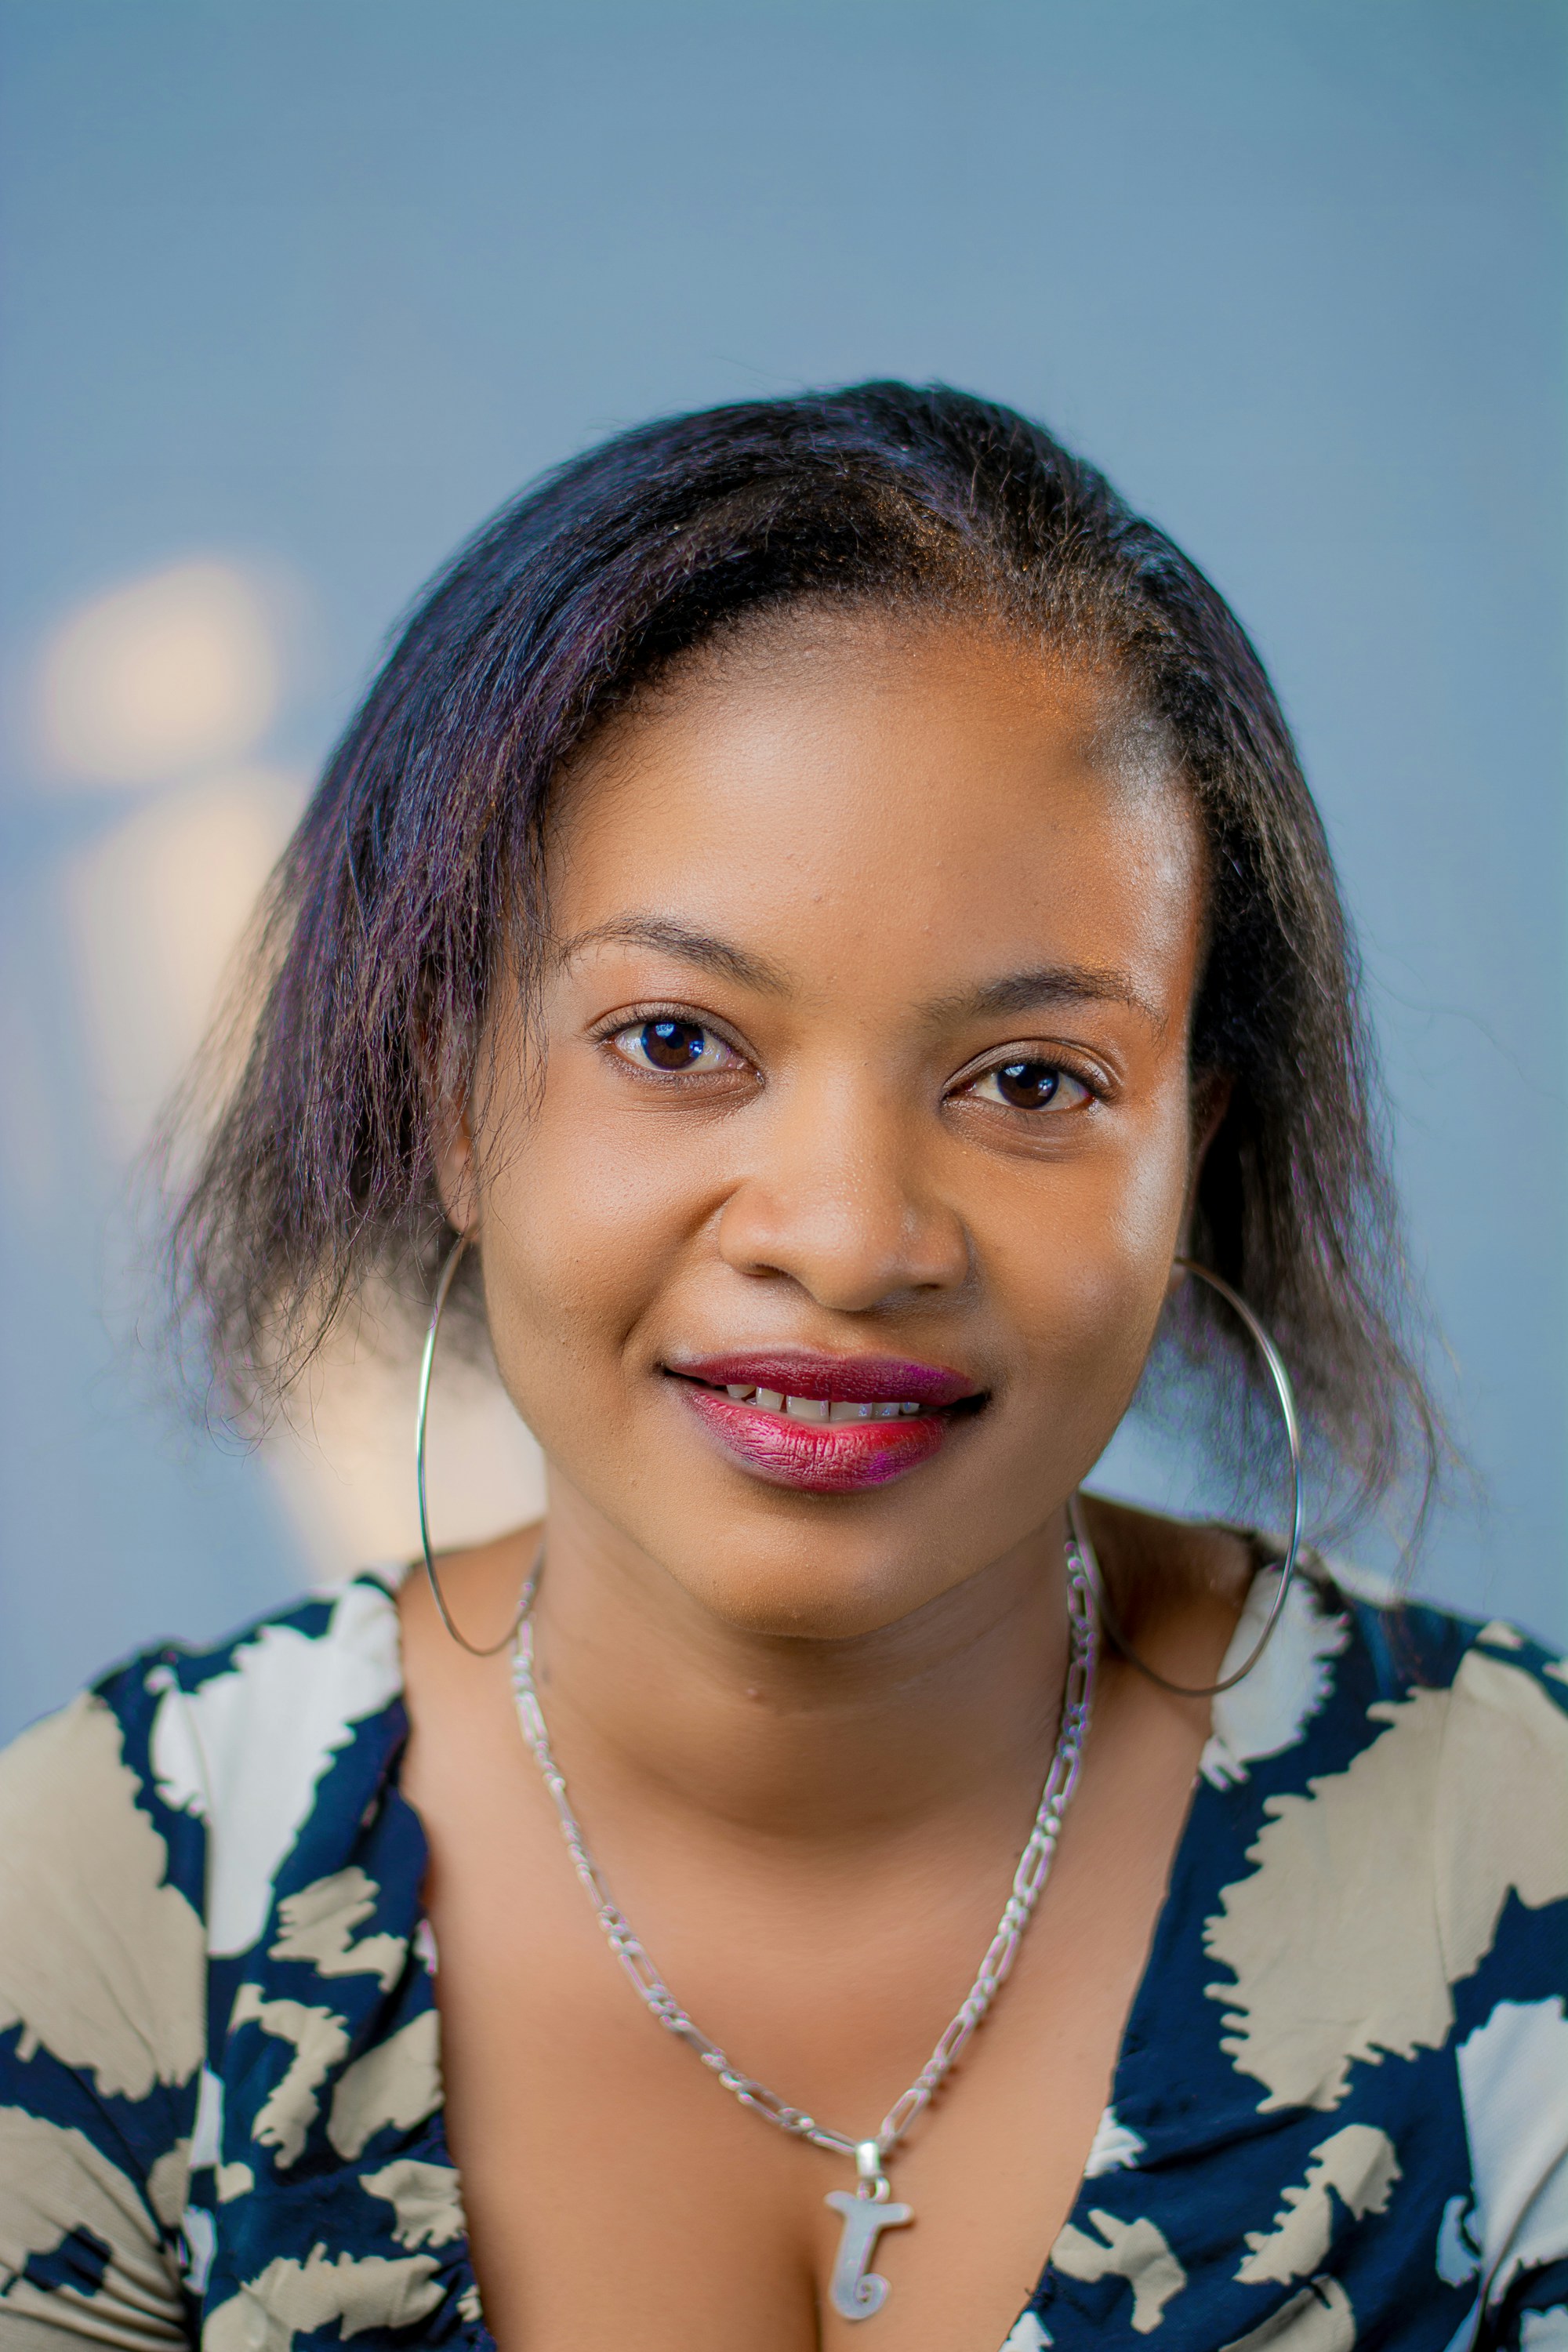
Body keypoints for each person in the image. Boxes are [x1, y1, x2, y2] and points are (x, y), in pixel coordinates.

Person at [1, 384, 1563, 2352]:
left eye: (1029, 1081)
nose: (843, 1235)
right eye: (675, 1041)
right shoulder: (111, 1910)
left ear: (1195, 1154)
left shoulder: (1529, 1857)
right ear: (448, 1099)